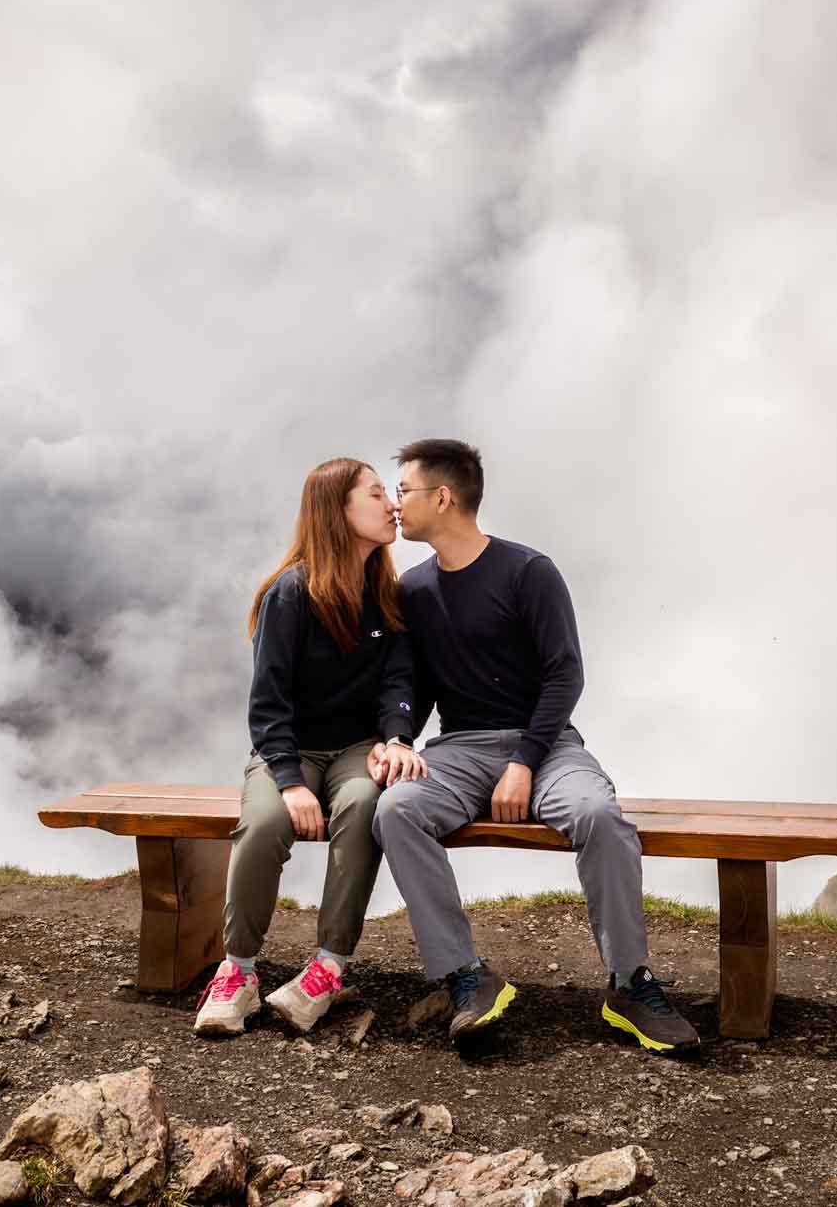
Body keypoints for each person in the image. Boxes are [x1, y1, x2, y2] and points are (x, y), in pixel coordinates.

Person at [368, 438, 700, 1051]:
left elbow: (564, 673)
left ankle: (629, 983)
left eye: (404, 491)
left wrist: (523, 763)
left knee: (597, 815)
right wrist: (397, 738)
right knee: (395, 809)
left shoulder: (527, 571)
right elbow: (405, 685)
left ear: (443, 498)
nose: (395, 504)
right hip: (459, 749)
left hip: (545, 745)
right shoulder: (412, 589)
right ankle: (466, 976)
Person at [195, 457, 430, 1036]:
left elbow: (400, 681)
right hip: (290, 749)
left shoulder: (385, 594)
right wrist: (291, 782)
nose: (392, 505)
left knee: (362, 806)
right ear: (338, 510)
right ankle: (238, 971)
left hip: (357, 748)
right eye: (377, 494)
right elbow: (268, 700)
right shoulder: (290, 593)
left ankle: (327, 968)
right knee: (265, 822)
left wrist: (398, 739)